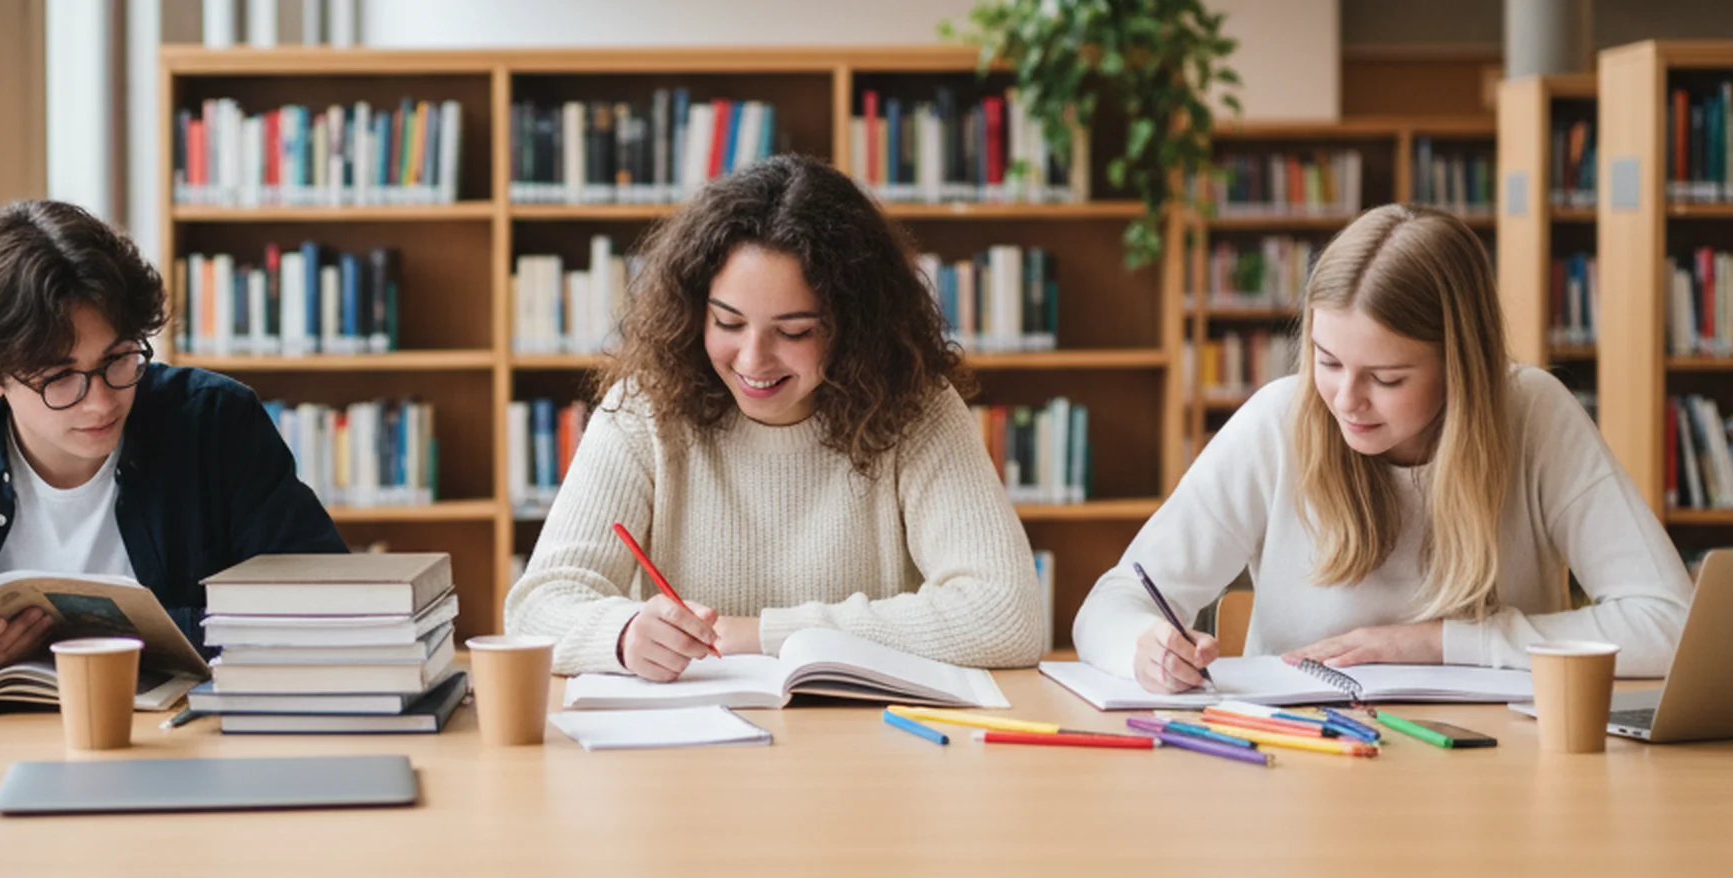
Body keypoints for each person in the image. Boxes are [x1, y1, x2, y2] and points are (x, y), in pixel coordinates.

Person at [1073, 203, 1693, 693]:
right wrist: (1144, 648)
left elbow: (1672, 625)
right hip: (1303, 767)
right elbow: (1110, 605)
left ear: (1461, 366)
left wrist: (1441, 642)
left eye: (1387, 378)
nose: (1345, 399)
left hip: (1502, 777)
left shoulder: (1533, 414)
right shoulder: (1279, 421)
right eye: (1328, 361)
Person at [503, 154, 1046, 681]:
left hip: (872, 752)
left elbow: (1007, 615)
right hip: (687, 754)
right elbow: (537, 607)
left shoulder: (916, 410)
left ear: (854, 330)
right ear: (695, 313)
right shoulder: (646, 409)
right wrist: (623, 634)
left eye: (794, 332)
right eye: (728, 322)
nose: (753, 360)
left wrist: (763, 635)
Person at [0, 200, 345, 687]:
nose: (101, 402)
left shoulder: (214, 421)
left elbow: (322, 603)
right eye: (59, 379)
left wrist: (103, 640)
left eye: (118, 359)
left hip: (179, 747)